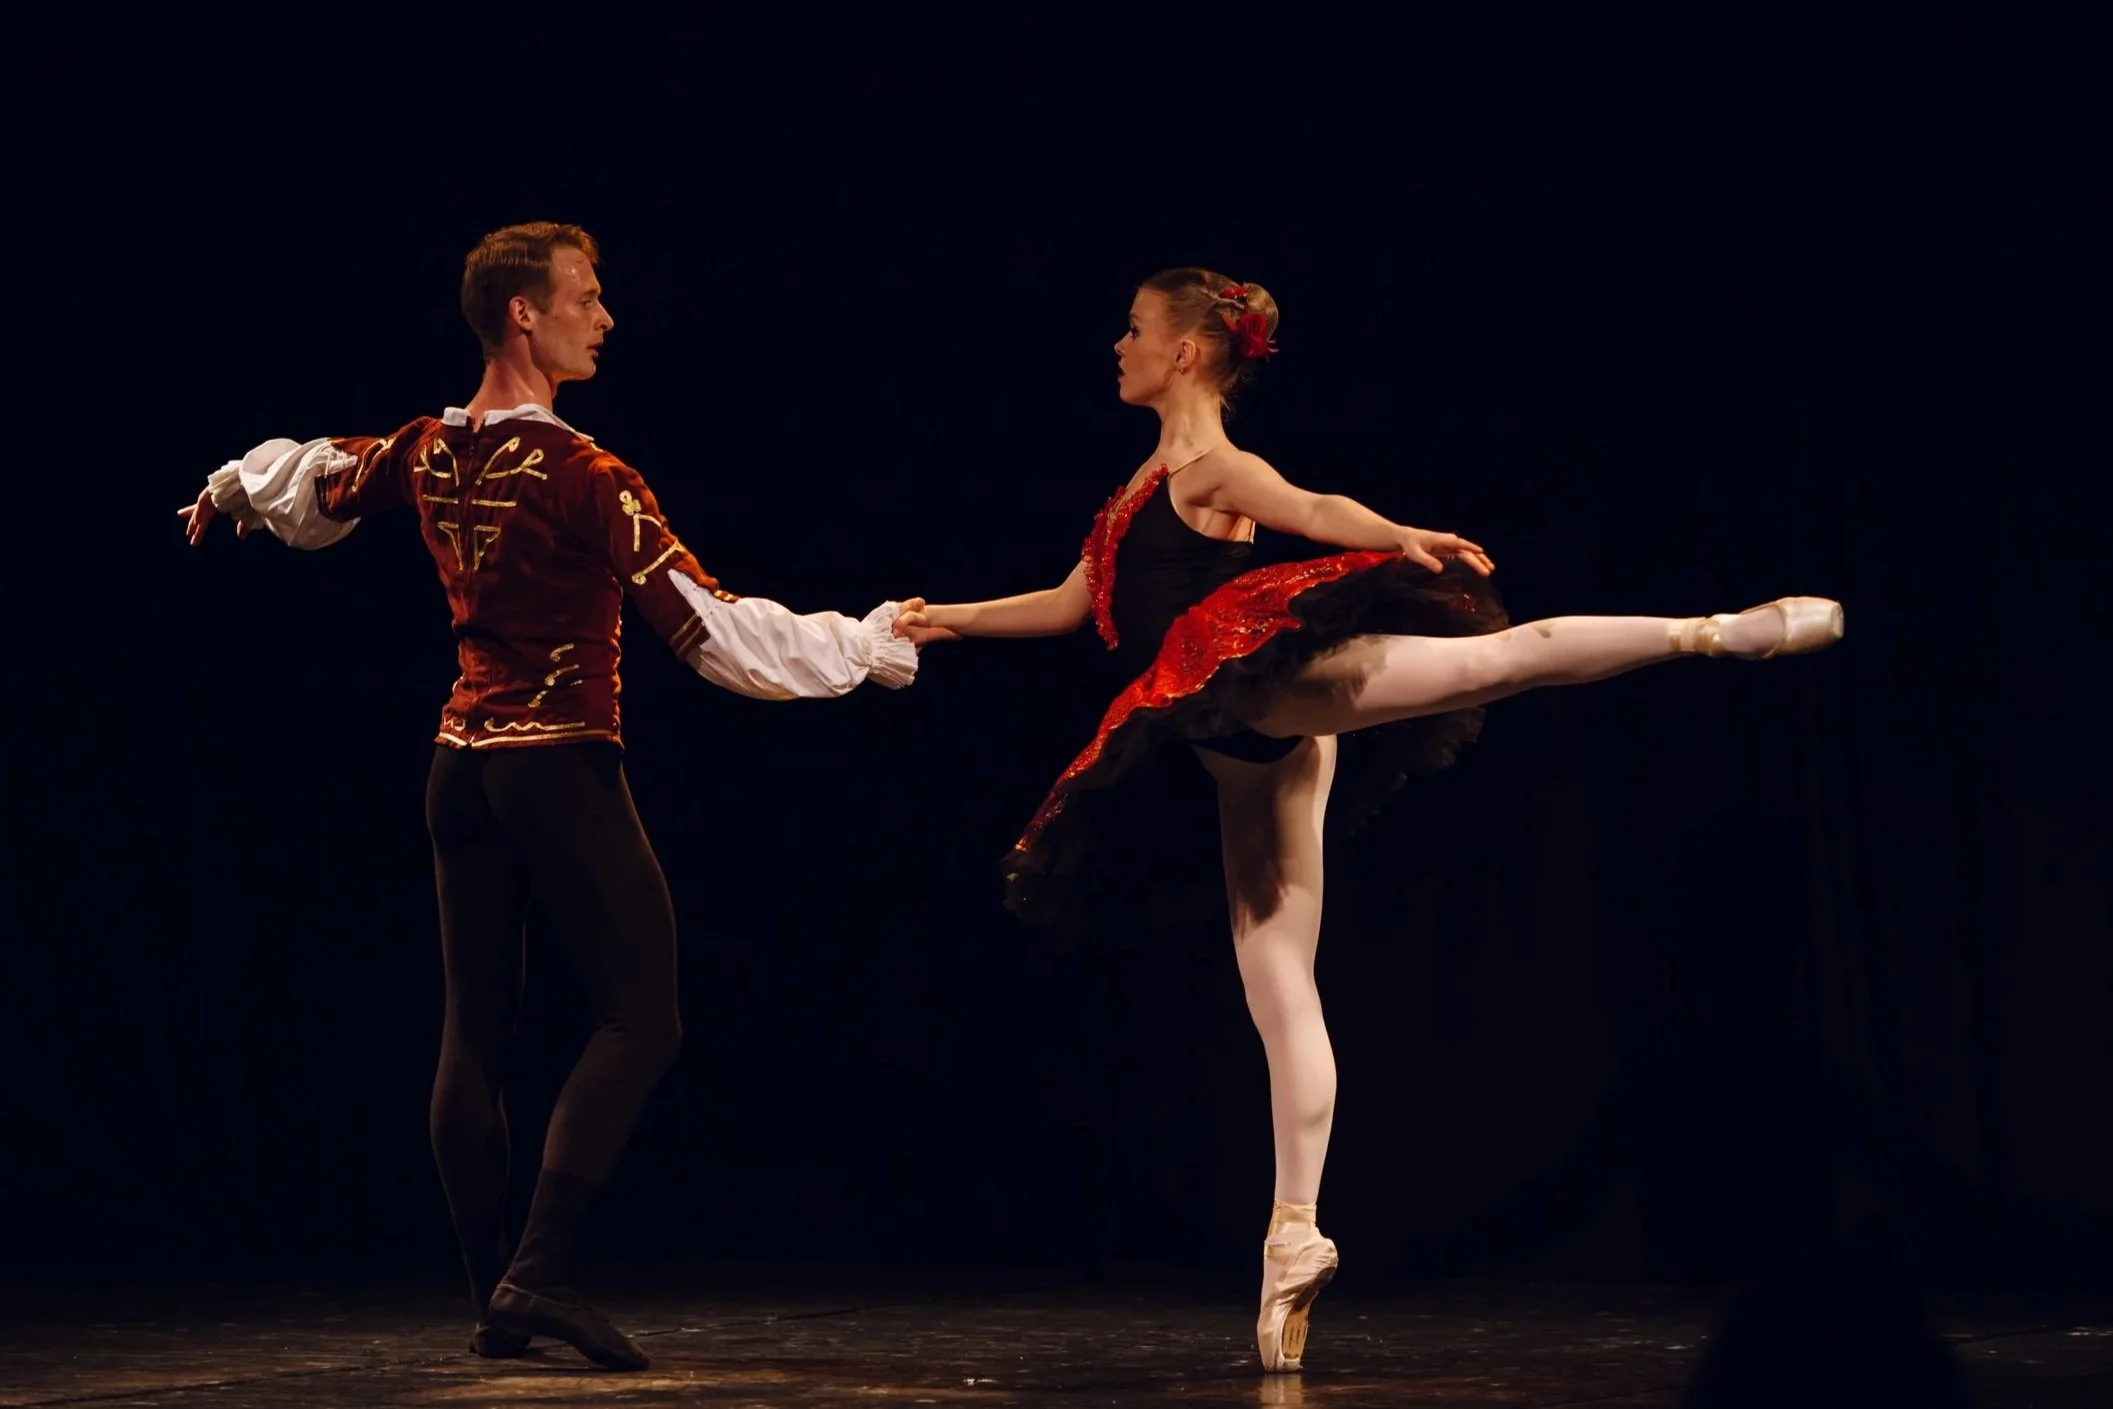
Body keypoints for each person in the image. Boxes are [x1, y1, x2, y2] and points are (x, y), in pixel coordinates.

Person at [894, 267, 1842, 1373]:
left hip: (1272, 682)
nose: (1118, 343)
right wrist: (942, 619)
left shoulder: (1214, 464)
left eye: (1136, 328)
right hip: (1237, 742)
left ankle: (1721, 631)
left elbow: (1310, 510)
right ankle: (1291, 1232)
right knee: (1275, 975)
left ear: (1187, 353)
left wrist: (1397, 534)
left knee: (1498, 658)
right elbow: (1070, 604)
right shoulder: (1140, 480)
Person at [179, 222, 919, 1372]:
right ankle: (539, 1270)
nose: (604, 314)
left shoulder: (425, 447)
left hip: (458, 769)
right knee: (644, 1014)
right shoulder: (586, 474)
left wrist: (230, 491)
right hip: (557, 760)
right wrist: (865, 645)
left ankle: (495, 1297)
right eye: (586, 294)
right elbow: (711, 631)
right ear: (524, 314)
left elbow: (315, 477)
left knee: (473, 1027)